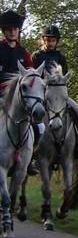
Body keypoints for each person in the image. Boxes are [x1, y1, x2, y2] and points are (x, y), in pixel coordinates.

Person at [0, 9, 43, 173]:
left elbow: (31, 77)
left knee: (40, 127)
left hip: (20, 97)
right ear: (4, 31)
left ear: (18, 31)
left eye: (15, 29)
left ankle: (29, 158)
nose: (12, 32)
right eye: (9, 30)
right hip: (1, 96)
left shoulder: (23, 53)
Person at [32, 25, 78, 157]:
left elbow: (65, 78)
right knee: (30, 115)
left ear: (56, 42)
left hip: (58, 95)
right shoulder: (36, 56)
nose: (50, 43)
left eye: (53, 40)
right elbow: (32, 77)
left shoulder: (60, 57)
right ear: (43, 40)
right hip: (41, 93)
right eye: (48, 40)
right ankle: (32, 148)